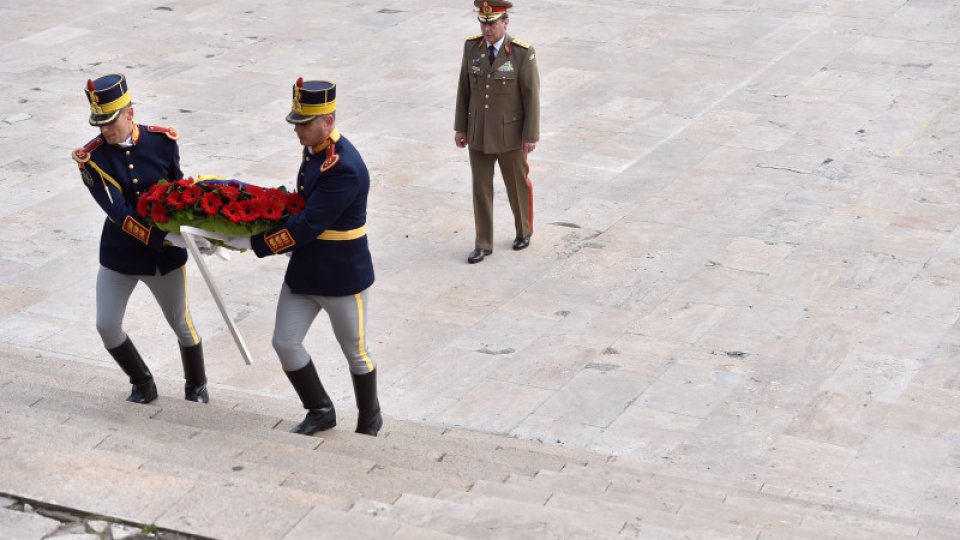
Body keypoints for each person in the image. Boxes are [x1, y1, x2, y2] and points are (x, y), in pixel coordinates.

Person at [223, 78, 382, 437]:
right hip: (307, 269)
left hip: (342, 275)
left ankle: (369, 418)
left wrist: (251, 243)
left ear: (328, 120)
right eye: (296, 122)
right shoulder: (315, 151)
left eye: (304, 123)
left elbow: (309, 223)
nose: (297, 130)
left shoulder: (343, 167)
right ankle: (320, 409)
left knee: (355, 351)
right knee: (285, 341)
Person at [73, 73, 212, 405]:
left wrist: (198, 227)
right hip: (121, 255)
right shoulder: (92, 159)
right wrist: (163, 238)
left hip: (163, 261)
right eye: (99, 124)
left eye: (110, 122)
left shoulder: (162, 141)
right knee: (106, 325)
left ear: (130, 114)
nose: (104, 130)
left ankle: (197, 384)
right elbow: (118, 211)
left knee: (181, 323)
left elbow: (179, 188)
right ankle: (142, 382)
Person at [454, 0, 540, 264]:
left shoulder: (521, 53)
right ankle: (483, 243)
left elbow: (531, 96)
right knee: (480, 189)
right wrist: (460, 127)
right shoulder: (472, 48)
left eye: (492, 23)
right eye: (483, 23)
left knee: (516, 186)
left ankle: (523, 230)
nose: (487, 29)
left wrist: (530, 135)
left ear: (505, 22)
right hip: (478, 132)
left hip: (510, 134)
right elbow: (464, 89)